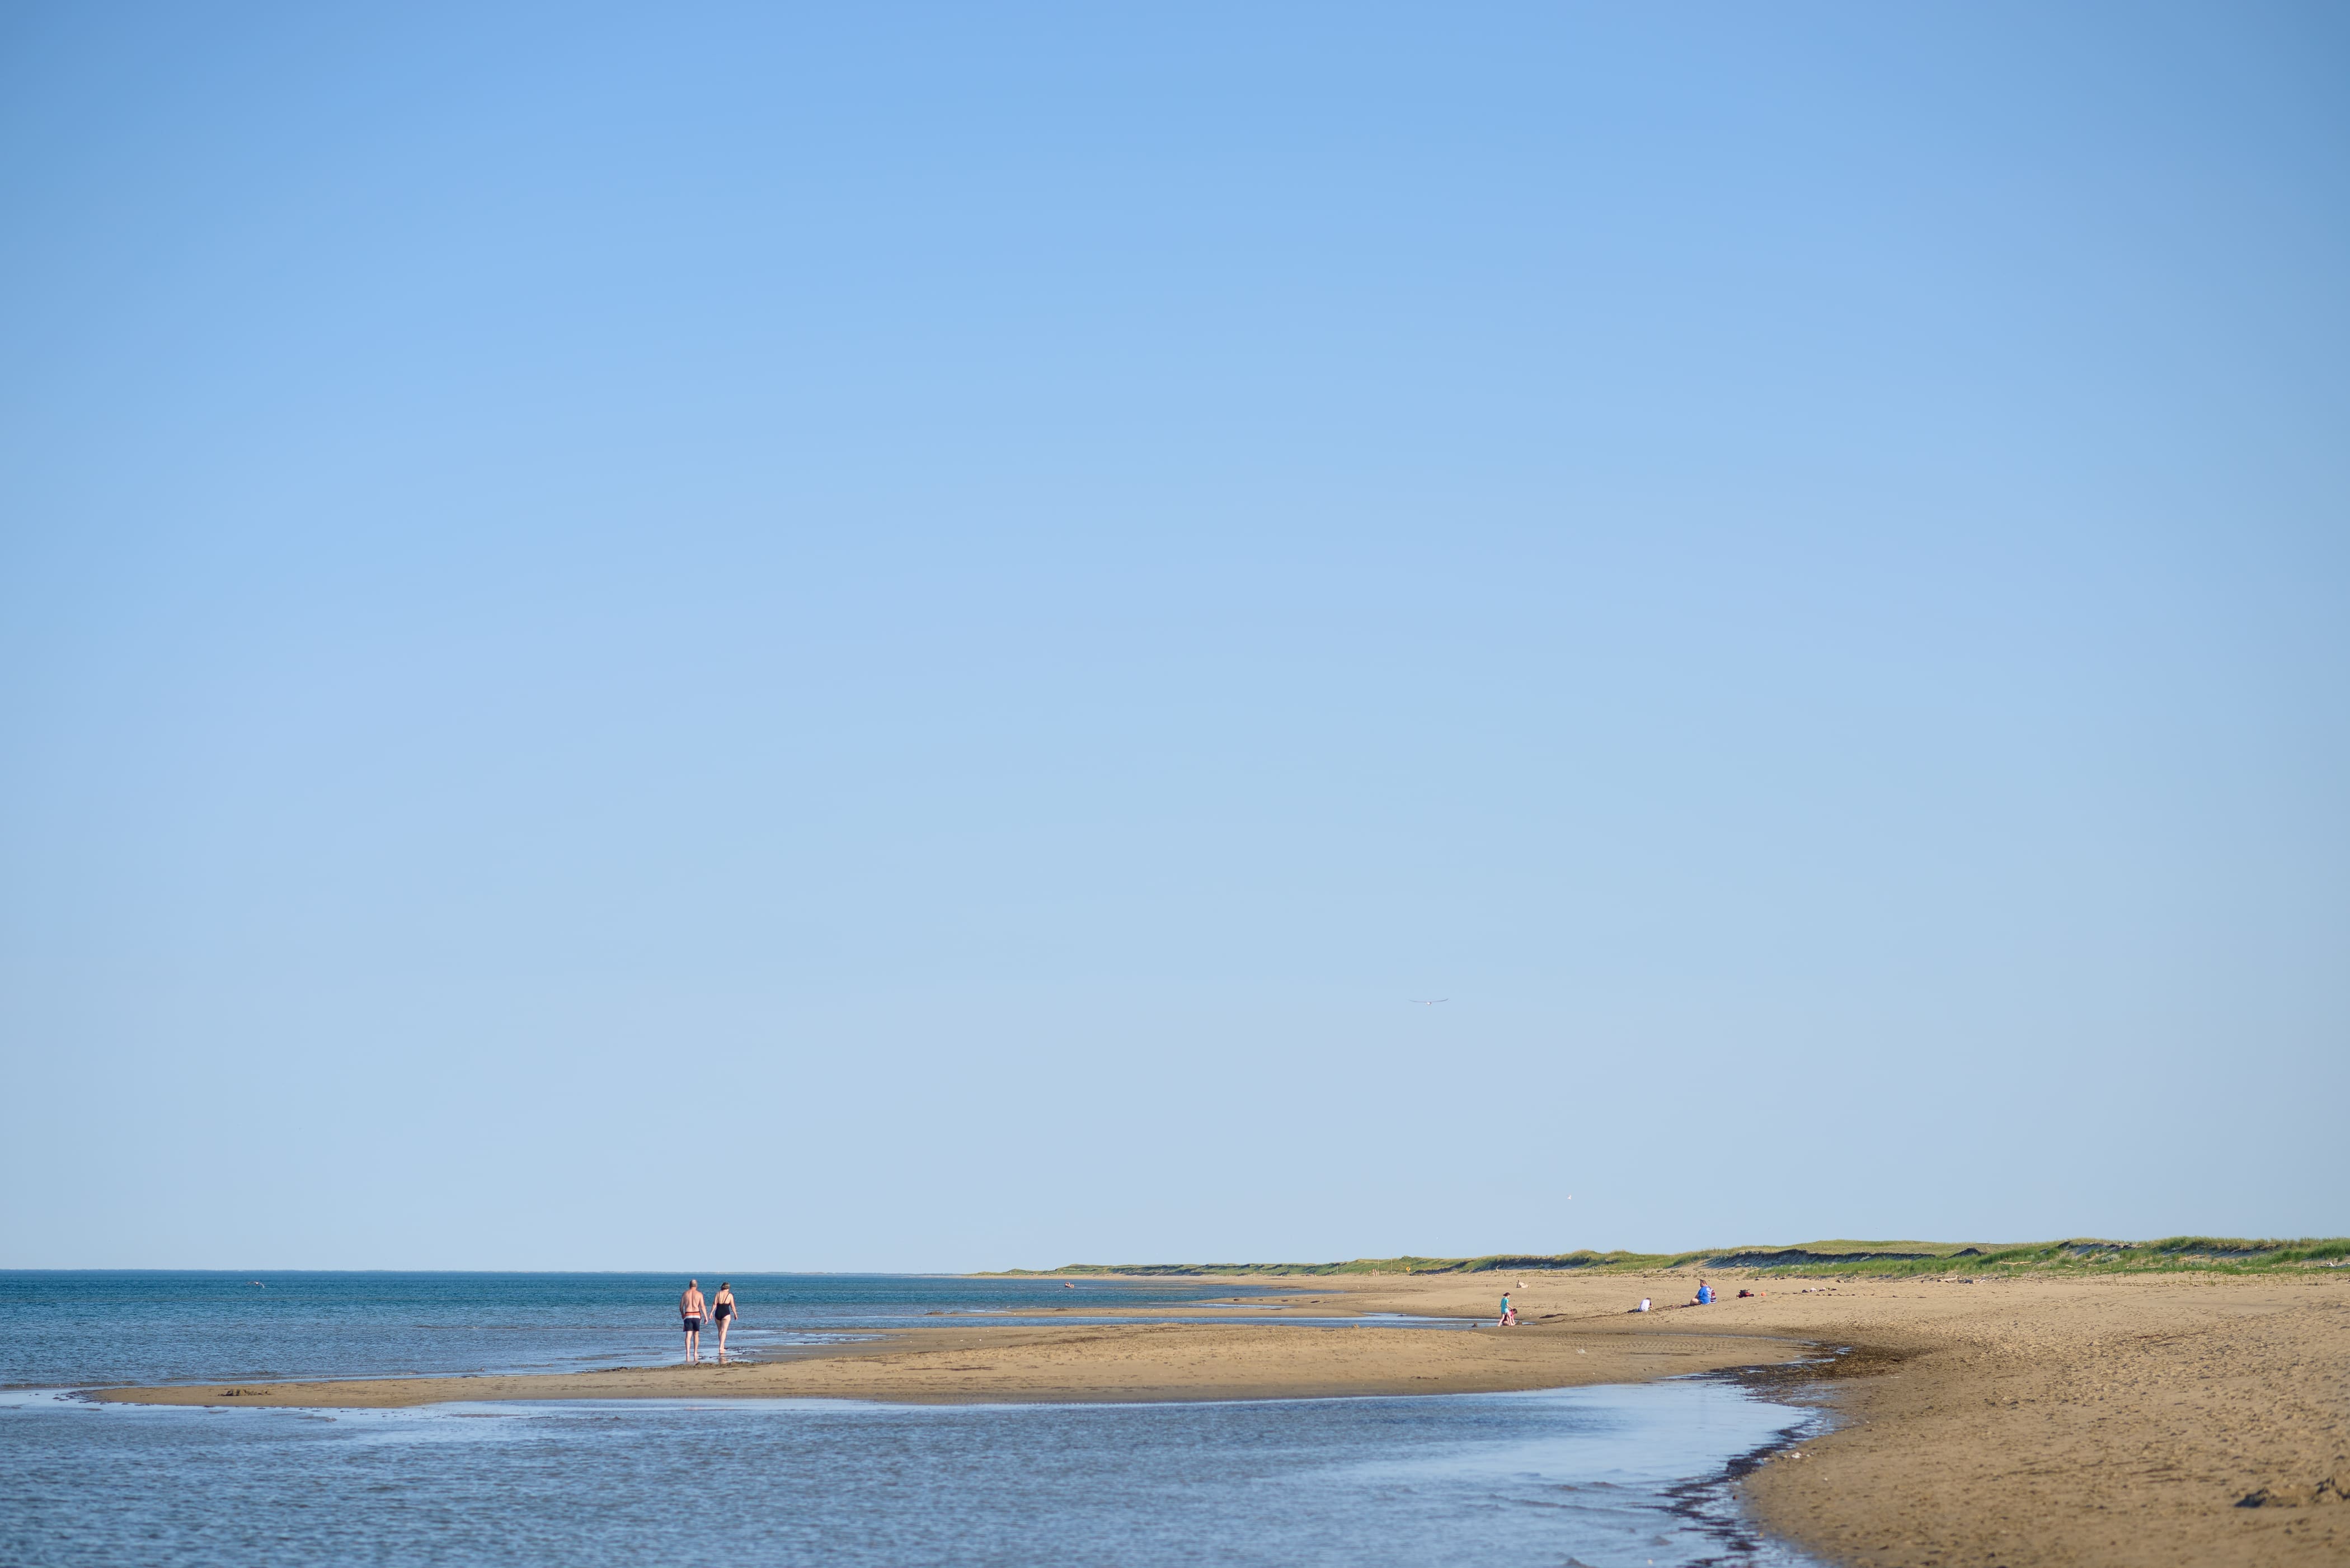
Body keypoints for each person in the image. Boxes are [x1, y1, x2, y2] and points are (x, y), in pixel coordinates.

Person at [680, 1279, 707, 1363]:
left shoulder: (685, 1294)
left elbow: (681, 1307)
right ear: (696, 1286)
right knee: (696, 1334)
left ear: (690, 1285)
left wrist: (682, 1315)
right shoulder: (699, 1294)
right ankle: (695, 1352)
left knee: (688, 1335)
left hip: (688, 1315)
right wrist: (706, 1317)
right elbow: (702, 1306)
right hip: (696, 1315)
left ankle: (688, 1353)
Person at [712, 1282, 739, 1362]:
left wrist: (711, 1313)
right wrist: (735, 1314)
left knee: (720, 1331)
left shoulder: (718, 1294)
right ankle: (721, 1347)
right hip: (726, 1314)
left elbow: (714, 1304)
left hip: (717, 1313)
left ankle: (722, 1346)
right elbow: (733, 1307)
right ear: (728, 1288)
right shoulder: (730, 1295)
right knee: (724, 1331)